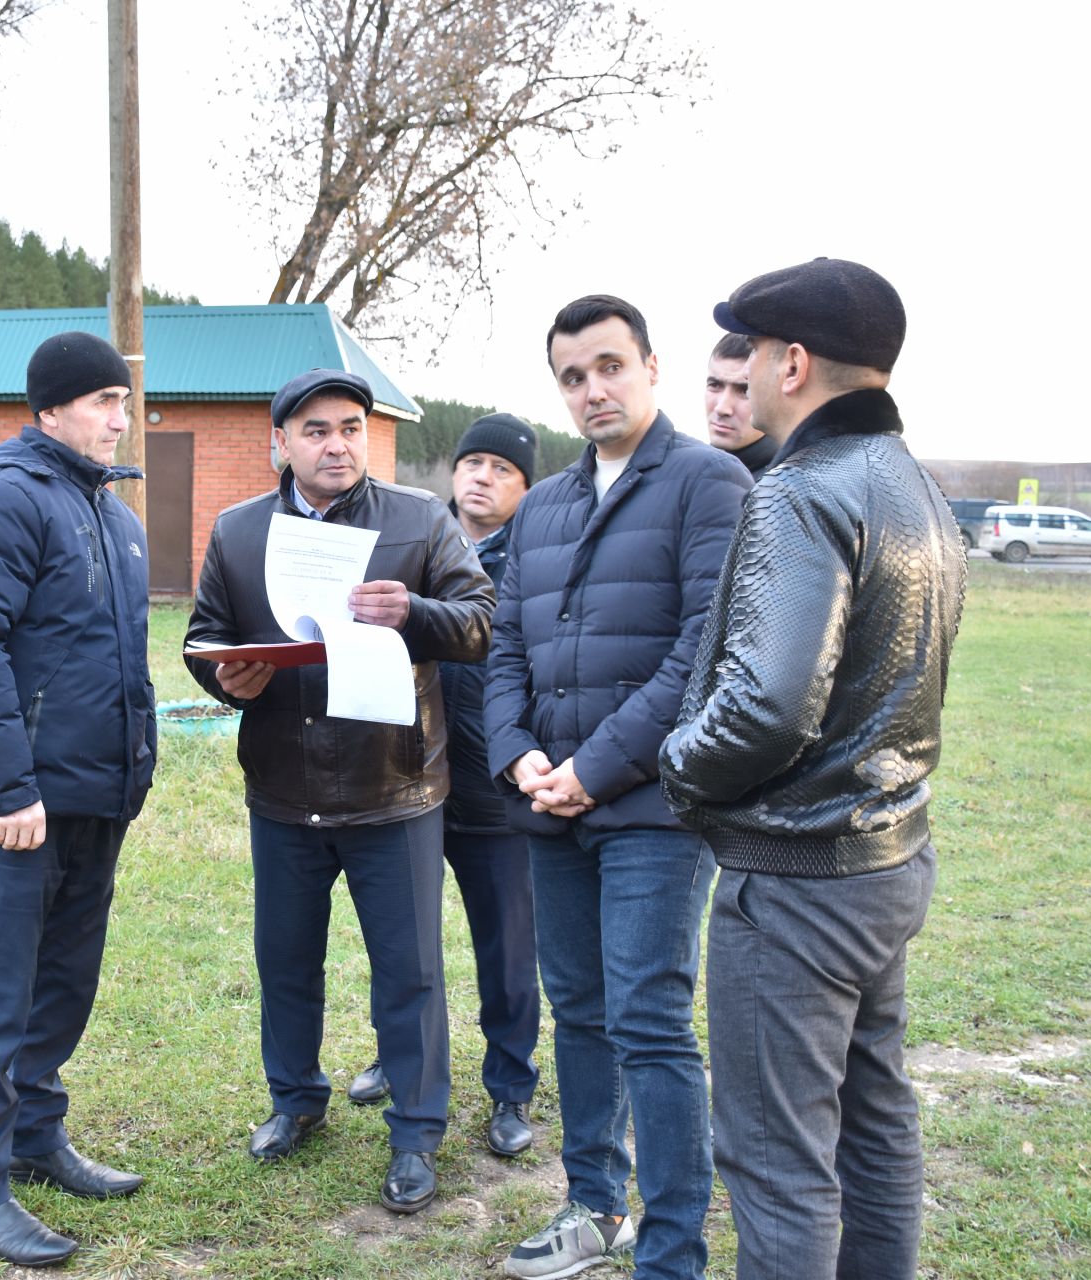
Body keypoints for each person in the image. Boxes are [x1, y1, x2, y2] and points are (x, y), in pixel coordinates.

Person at [661, 258, 966, 1280]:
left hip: (797, 875)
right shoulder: (915, 484)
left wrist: (678, 765)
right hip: (885, 861)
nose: (736, 373)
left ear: (793, 362)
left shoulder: (802, 488)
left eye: (745, 351)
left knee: (777, 1160)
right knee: (874, 1123)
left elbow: (766, 704)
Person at [483, 295, 750, 1280]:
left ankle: (672, 1246)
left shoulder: (709, 483)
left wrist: (593, 768)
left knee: (647, 1017)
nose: (592, 389)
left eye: (608, 366)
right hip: (548, 808)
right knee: (580, 1010)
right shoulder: (545, 504)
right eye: (572, 375)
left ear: (649, 367)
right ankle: (592, 1205)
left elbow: (701, 656)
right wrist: (517, 754)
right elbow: (505, 643)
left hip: (653, 811)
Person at [183, 368, 493, 1215]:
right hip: (283, 788)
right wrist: (226, 682)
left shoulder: (419, 519)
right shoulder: (241, 531)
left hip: (393, 786)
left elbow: (480, 623)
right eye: (316, 430)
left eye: (351, 427)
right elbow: (202, 637)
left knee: (410, 971)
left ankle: (417, 1130)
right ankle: (296, 1101)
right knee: (285, 959)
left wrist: (415, 611)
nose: (337, 444)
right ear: (279, 442)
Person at [0, 330, 158, 1269]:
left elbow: (109, 659)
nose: (118, 417)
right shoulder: (5, 498)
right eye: (102, 400)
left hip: (96, 796)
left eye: (124, 401)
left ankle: (35, 1134)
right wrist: (8, 785)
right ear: (50, 409)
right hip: (19, 806)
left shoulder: (114, 515)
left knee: (63, 983)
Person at [345, 414, 543, 1161]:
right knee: (403, 945)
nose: (481, 477)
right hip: (408, 777)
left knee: (506, 945)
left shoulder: (538, 559)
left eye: (501, 468)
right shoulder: (417, 541)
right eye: (472, 463)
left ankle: (511, 1085)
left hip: (494, 787)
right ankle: (398, 1062)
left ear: (525, 489)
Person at [702, 333, 778, 478]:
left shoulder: (790, 489)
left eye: (744, 390)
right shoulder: (684, 471)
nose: (722, 408)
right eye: (715, 385)